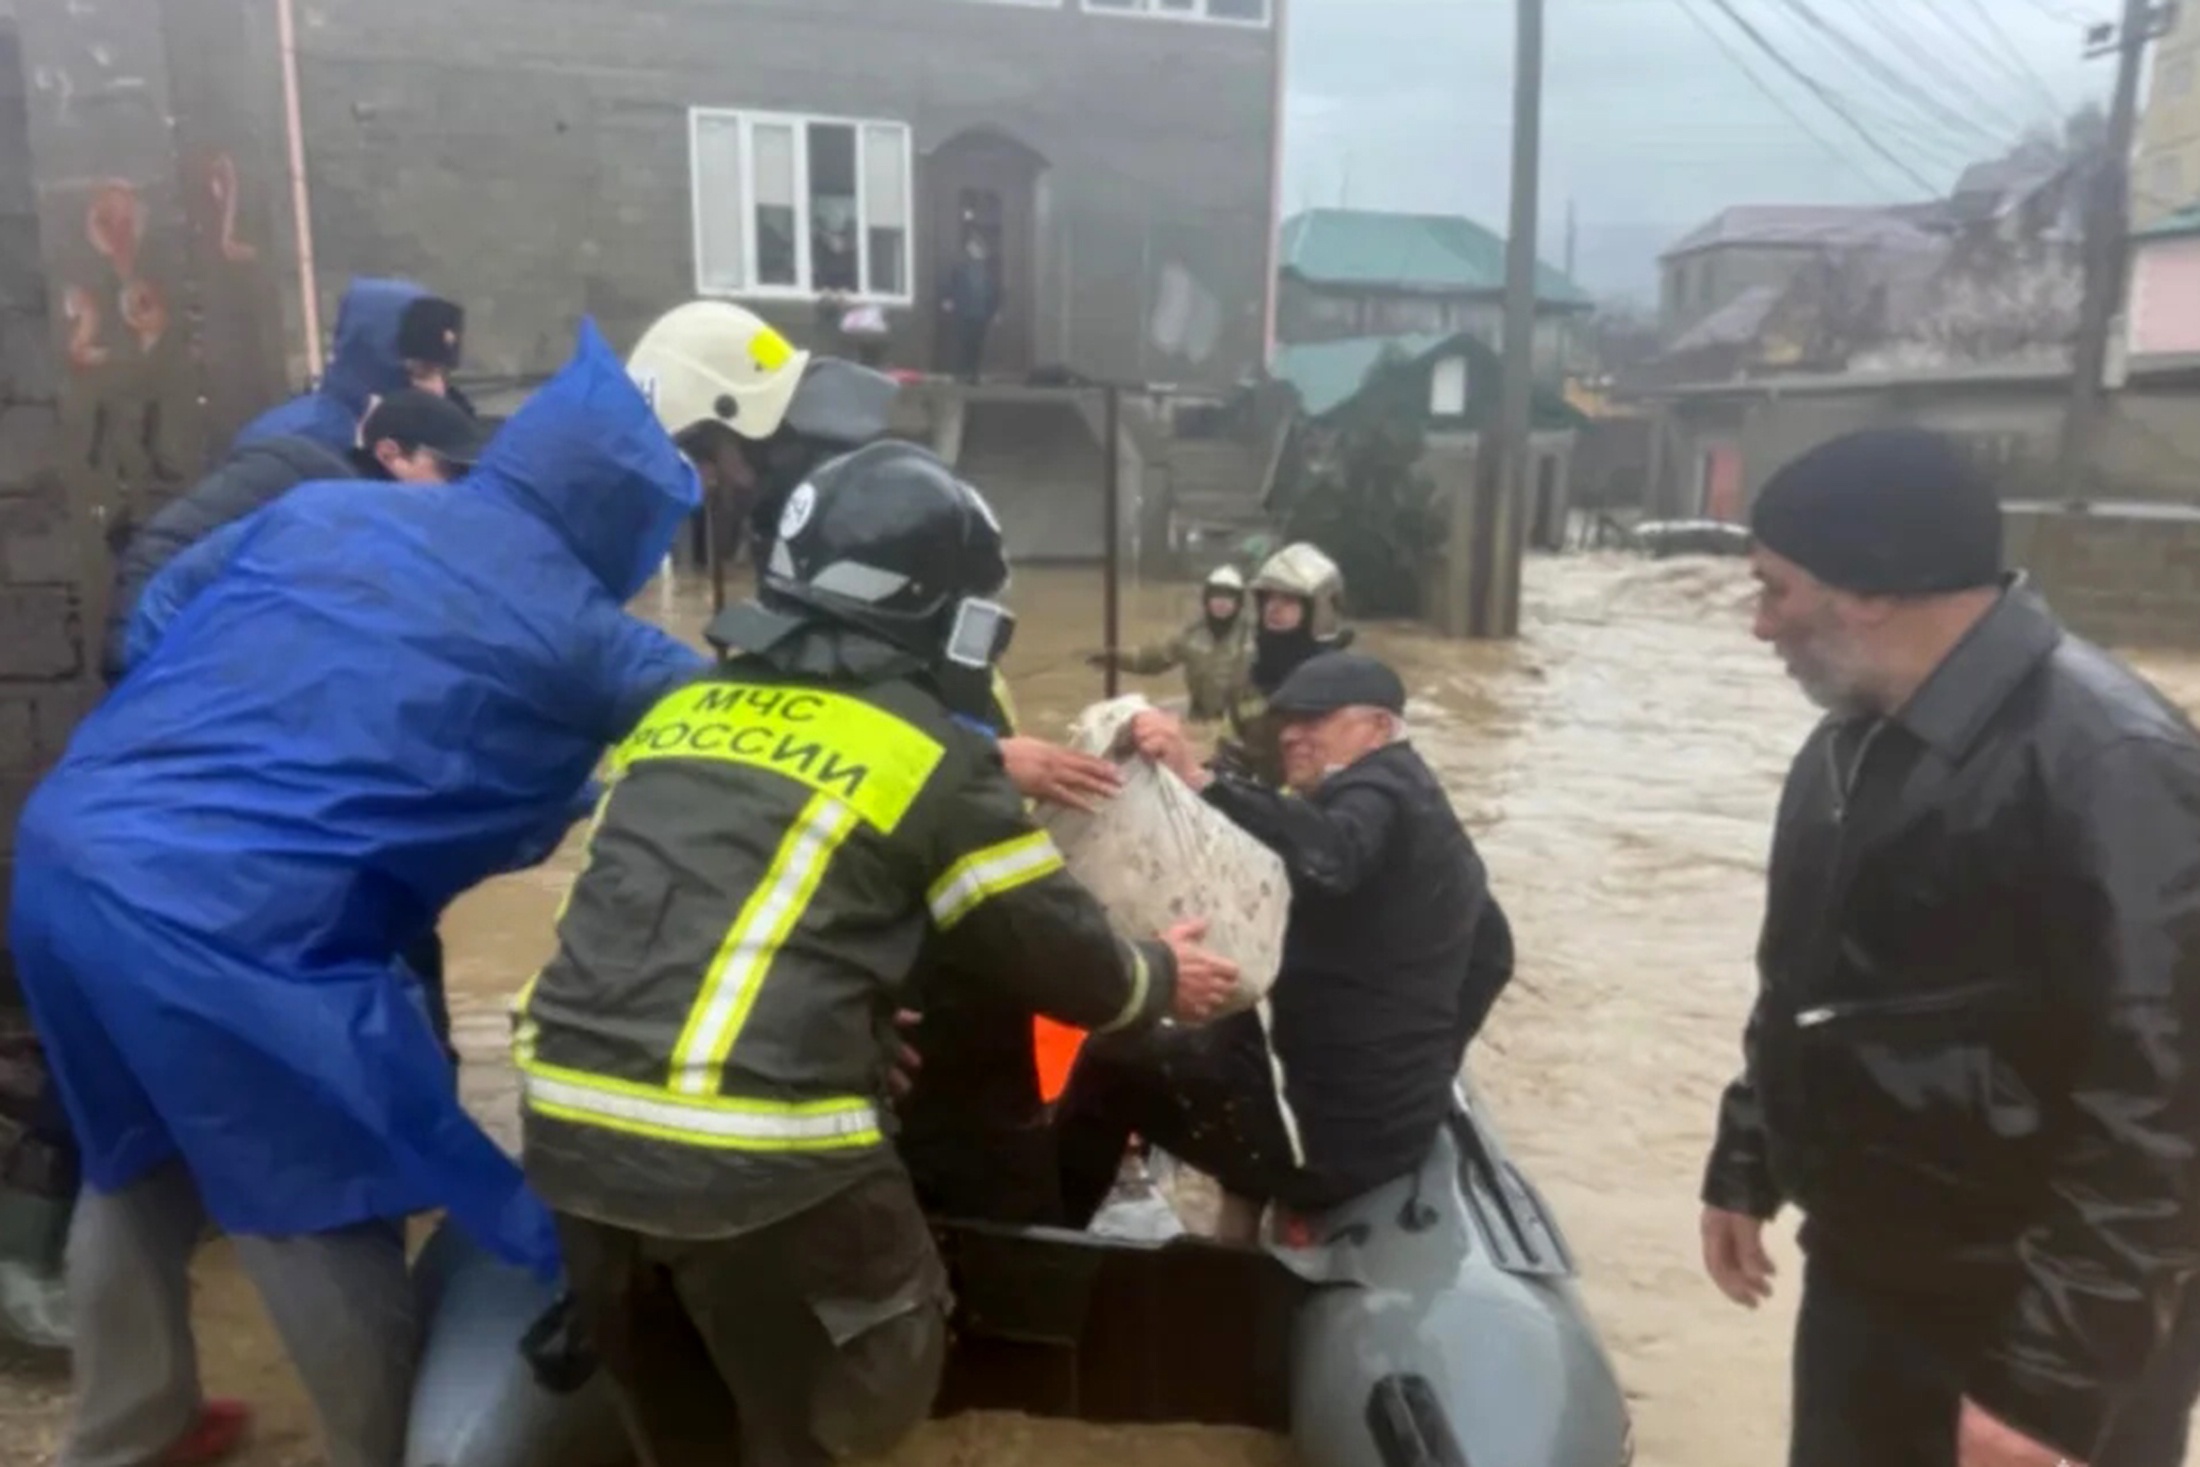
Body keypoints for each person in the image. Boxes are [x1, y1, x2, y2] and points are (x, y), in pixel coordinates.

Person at [7, 321, 705, 1467]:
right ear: (622, 517)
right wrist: (972, 748)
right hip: (231, 930)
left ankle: (129, 1435)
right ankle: (377, 1455)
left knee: (133, 1161)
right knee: (320, 1198)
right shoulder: (587, 638)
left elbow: (167, 602)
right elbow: (752, 726)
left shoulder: (324, 511)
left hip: (70, 855)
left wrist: (240, 726)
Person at [517, 439, 1238, 1467]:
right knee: (888, 1347)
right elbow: (1058, 958)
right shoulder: (930, 752)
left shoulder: (674, 717)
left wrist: (847, 1017)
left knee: (682, 1435)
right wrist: (1160, 973)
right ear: (941, 613)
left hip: (568, 1128)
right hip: (759, 1153)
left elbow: (667, 924)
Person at [1697, 428, 2200, 1467]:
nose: (1759, 625)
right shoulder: (1848, 742)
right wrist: (1746, 1156)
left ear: (1872, 589)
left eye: (1775, 589)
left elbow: (2160, 1108)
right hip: (1869, 1283)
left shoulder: (2113, 764)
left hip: (2027, 1321)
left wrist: (2049, 1384)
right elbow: (1803, 981)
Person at [1058, 650, 1503, 1242]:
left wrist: (1198, 780)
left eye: (1316, 719)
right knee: (1228, 1030)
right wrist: (1427, 1068)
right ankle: (1240, 1225)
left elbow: (1333, 855)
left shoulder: (1376, 793)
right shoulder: (1427, 808)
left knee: (1110, 1062)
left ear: (1378, 727)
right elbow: (1494, 955)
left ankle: (1042, 1243)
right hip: (1396, 1123)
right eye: (1288, 720)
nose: (1293, 734)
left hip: (1324, 1144)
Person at [105, 388, 490, 684]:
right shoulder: (292, 476)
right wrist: (136, 668)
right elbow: (165, 543)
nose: (457, 489)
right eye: (450, 471)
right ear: (391, 454)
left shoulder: (375, 523)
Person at [625, 299, 898, 573]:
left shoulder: (857, 510)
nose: (701, 484)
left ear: (741, 417)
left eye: (693, 453)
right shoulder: (789, 502)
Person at [232, 278, 466, 454]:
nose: (438, 390)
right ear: (375, 364)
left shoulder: (440, 442)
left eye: (443, 373)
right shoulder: (290, 441)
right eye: (422, 371)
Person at [1088, 563, 1255, 722]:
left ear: (1238, 602)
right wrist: (1112, 658)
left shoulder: (1253, 634)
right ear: (1207, 599)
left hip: (1245, 720)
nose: (1222, 602)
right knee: (1145, 718)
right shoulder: (1192, 635)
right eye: (1216, 595)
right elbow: (1152, 659)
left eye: (1229, 597)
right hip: (1200, 716)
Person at [940, 232, 999, 384]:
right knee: (963, 343)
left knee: (977, 345)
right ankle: (960, 374)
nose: (975, 250)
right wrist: (947, 299)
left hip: (981, 313)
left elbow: (993, 291)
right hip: (964, 311)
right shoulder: (960, 266)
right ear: (968, 248)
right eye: (973, 247)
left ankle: (973, 375)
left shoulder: (988, 270)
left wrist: (994, 311)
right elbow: (949, 283)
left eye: (978, 248)